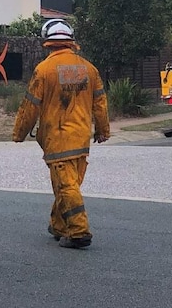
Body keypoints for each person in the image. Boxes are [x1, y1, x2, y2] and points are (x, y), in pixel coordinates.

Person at [13, 19, 109, 249]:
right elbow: (100, 103)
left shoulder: (44, 70)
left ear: (48, 43)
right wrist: (103, 130)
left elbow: (30, 106)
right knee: (67, 184)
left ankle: (78, 231)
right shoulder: (89, 68)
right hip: (81, 138)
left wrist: (20, 132)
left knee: (66, 187)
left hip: (58, 138)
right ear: (71, 42)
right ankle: (58, 225)